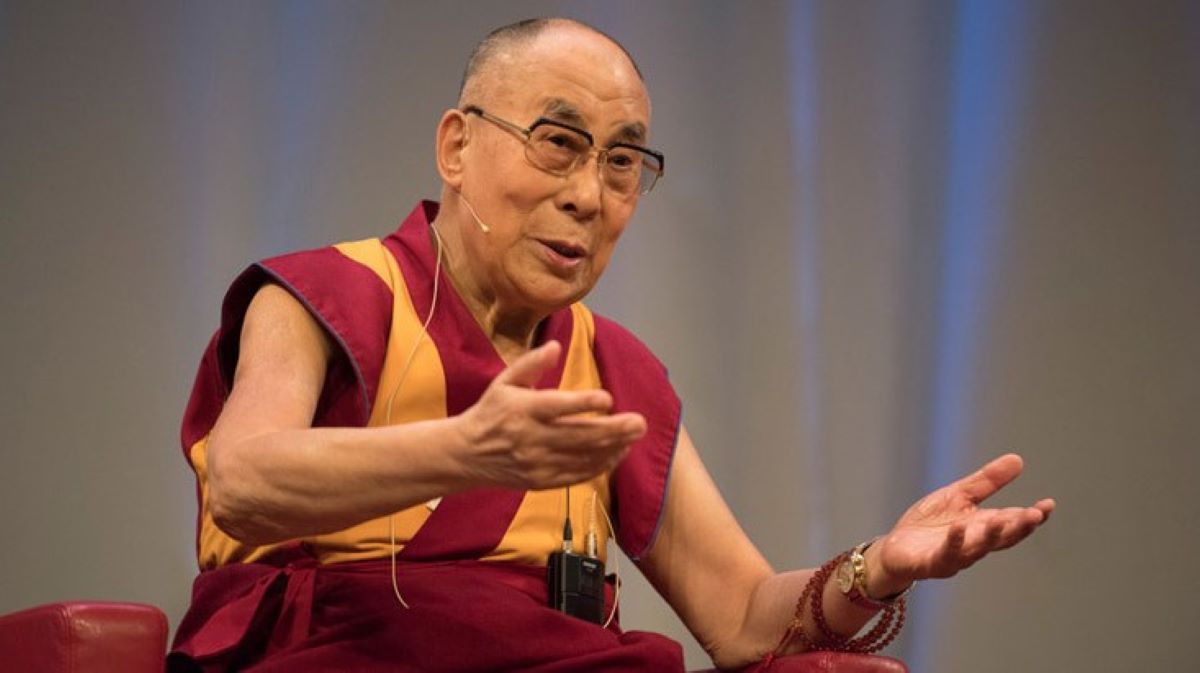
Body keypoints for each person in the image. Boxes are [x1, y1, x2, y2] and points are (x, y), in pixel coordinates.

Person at [169, 17, 1055, 673]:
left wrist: (878, 565)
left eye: (623, 162)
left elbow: (743, 616)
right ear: (456, 145)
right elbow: (243, 483)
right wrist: (463, 451)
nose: (589, 196)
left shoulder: (609, 367)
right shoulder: (327, 294)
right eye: (558, 144)